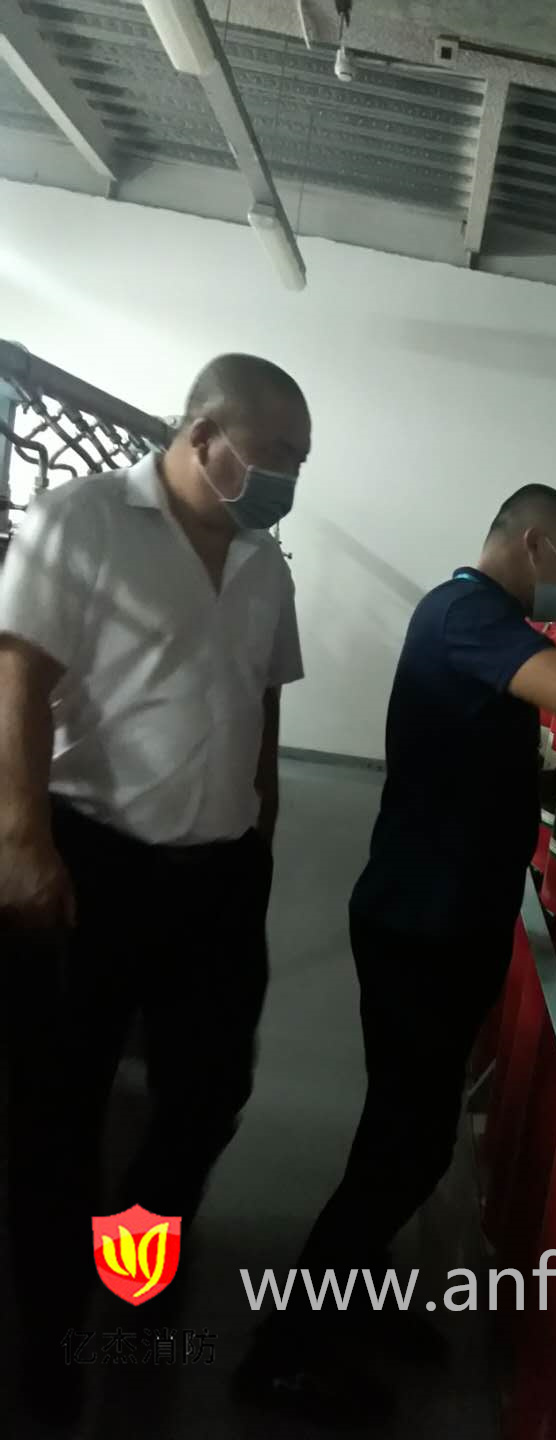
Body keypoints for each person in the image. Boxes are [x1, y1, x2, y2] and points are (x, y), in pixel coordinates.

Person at [237, 482, 556, 1420]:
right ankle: (285, 1351)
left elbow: (484, 757)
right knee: (402, 1146)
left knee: (414, 1135)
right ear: (533, 543)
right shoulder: (467, 613)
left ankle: (356, 1300)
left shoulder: (478, 622)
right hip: (420, 924)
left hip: (446, 915)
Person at [0, 353, 310, 1427]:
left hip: (217, 875)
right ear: (202, 434)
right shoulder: (81, 521)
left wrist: (263, 819)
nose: (288, 478)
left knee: (208, 1092)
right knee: (56, 1109)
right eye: (276, 454)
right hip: (92, 860)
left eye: (302, 461)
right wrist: (21, 838)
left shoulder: (266, 563)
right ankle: (49, 1350)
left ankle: (133, 1272)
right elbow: (18, 678)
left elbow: (263, 696)